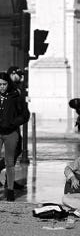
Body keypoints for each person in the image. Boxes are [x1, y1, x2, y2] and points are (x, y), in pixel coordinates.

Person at [0, 72, 30, 201]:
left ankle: (10, 190)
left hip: (11, 133)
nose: (2, 87)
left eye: (4, 84)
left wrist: (13, 123)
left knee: (9, 162)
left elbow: (25, 114)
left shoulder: (16, 96)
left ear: (8, 84)